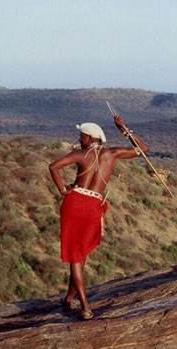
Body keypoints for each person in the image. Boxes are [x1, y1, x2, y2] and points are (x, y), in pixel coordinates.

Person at [49, 116, 148, 319]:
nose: (79, 140)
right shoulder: (112, 154)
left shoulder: (80, 154)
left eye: (82, 136)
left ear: (91, 138)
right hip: (94, 205)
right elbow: (143, 148)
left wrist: (62, 189)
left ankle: (85, 307)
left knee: (76, 255)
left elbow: (53, 167)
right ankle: (68, 299)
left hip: (75, 203)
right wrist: (122, 129)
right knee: (79, 254)